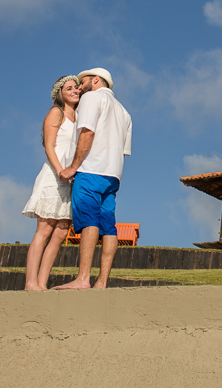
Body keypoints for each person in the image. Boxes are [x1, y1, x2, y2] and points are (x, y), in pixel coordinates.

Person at [54, 67, 132, 290]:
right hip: (113, 174)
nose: (79, 86)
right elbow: (124, 150)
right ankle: (102, 282)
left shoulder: (91, 98)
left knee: (88, 220)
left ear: (96, 80)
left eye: (83, 81)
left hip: (90, 169)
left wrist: (73, 167)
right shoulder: (125, 112)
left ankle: (82, 279)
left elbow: (87, 133)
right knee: (108, 225)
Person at [21, 74, 80, 290]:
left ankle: (42, 284)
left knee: (61, 232)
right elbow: (49, 146)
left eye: (76, 88)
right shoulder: (56, 113)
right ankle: (30, 283)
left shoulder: (81, 117)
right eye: (69, 88)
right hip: (53, 177)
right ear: (60, 94)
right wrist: (60, 171)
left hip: (71, 180)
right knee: (44, 230)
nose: (74, 91)